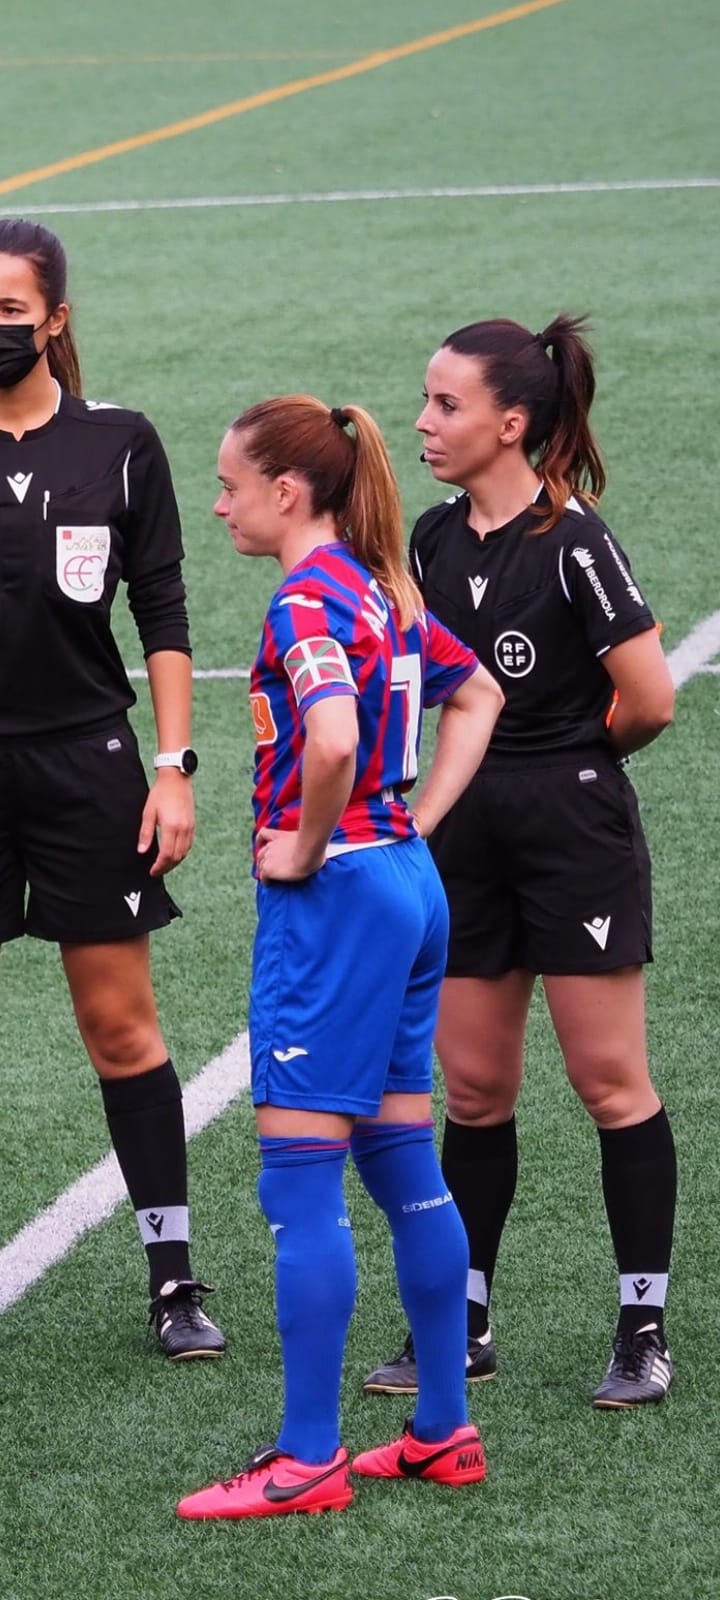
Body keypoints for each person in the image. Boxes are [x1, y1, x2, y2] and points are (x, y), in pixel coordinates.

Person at [176, 394, 504, 1521]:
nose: (217, 504)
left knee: (301, 1177)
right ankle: (441, 1431)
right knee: (405, 1158)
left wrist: (309, 842)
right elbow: (479, 692)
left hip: (338, 900)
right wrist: (407, 818)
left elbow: (328, 736)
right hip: (407, 882)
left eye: (228, 485)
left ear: (288, 492)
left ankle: (308, 1456)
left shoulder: (309, 597)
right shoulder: (384, 583)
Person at [363, 314, 677, 1409]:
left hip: (570, 830)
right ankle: (465, 1318)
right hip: (461, 836)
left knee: (608, 1081)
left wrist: (561, 766)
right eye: (425, 399)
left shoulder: (577, 541)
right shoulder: (437, 543)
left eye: (445, 405)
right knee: (478, 1087)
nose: (424, 422)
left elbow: (649, 699)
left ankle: (642, 1325)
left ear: (512, 423)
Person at [0, 217, 225, 1359]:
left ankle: (174, 1279)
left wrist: (174, 768)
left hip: (88, 763)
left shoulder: (121, 443)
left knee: (119, 1026)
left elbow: (165, 611)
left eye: (8, 311)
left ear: (56, 319)